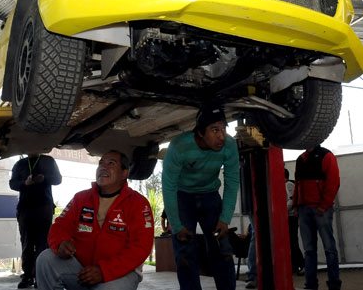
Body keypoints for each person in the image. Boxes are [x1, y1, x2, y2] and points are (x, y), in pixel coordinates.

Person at [35, 150, 154, 289]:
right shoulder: (80, 198)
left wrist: (104, 271)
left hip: (120, 273)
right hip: (82, 271)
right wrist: (61, 243)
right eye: (101, 163)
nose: (103, 167)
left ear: (124, 173)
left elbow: (141, 247)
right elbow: (60, 226)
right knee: (45, 259)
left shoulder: (138, 203)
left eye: (111, 163)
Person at [162, 105, 240, 290]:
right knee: (185, 253)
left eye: (223, 129)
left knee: (222, 248)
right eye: (214, 130)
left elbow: (232, 181)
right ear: (200, 132)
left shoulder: (229, 145)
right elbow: (169, 187)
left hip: (210, 196)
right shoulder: (179, 147)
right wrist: (177, 226)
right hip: (183, 197)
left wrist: (225, 219)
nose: (221, 136)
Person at [9, 153, 62, 288]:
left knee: (42, 243)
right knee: (26, 243)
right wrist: (25, 183)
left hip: (44, 207)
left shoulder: (48, 160)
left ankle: (40, 277)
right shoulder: (20, 163)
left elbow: (58, 179)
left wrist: (44, 178)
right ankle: (27, 276)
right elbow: (12, 183)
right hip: (25, 209)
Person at [293, 145, 341, 290]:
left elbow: (333, 182)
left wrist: (324, 205)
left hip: (320, 209)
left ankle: (333, 284)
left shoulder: (327, 155)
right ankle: (311, 284)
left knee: (329, 248)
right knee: (309, 250)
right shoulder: (300, 159)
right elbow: (297, 184)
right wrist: (296, 206)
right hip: (304, 209)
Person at [285, 168, 304, 275]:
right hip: (289, 217)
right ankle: (295, 265)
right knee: (291, 242)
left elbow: (291, 200)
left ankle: (301, 264)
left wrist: (281, 210)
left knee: (292, 242)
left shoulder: (288, 185)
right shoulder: (287, 185)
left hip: (291, 217)